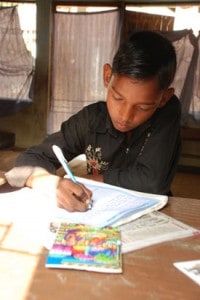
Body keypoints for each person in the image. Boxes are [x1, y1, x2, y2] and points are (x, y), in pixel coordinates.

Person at [5, 30, 181, 212]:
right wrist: (50, 183)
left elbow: (152, 182)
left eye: (142, 107)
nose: (125, 116)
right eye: (118, 98)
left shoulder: (167, 112)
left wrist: (90, 180)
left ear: (163, 99)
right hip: (98, 212)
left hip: (152, 213)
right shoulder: (91, 120)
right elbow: (29, 160)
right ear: (107, 76)